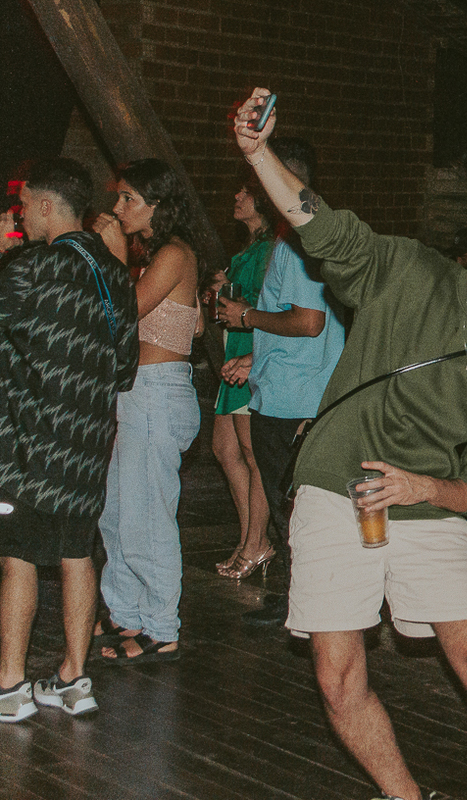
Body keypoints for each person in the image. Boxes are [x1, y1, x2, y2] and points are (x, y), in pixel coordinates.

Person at [233, 87, 467, 800]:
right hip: (335, 490)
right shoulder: (412, 270)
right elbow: (324, 227)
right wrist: (258, 153)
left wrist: (424, 487)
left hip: (429, 512)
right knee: (338, 678)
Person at [0, 159, 139, 721]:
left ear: (46, 205)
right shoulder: (115, 275)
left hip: (27, 445)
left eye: (24, 205)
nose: (20, 215)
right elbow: (125, 367)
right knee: (77, 554)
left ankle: (9, 686)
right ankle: (73, 678)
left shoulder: (30, 268)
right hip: (86, 446)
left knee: (17, 558)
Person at [217, 136, 346, 624]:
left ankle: (302, 602)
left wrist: (246, 316)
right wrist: (257, 358)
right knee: (294, 502)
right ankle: (303, 598)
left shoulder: (296, 241)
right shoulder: (311, 233)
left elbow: (309, 322)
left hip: (294, 397)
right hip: (295, 385)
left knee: (290, 504)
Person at [91, 158, 207, 664]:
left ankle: (162, 626)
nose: (118, 208)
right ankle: (126, 612)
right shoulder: (163, 256)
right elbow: (193, 326)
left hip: (157, 393)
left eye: (129, 199)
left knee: (148, 520)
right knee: (116, 514)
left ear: (157, 205)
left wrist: (115, 257)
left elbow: (122, 313)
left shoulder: (175, 253)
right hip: (137, 392)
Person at [210, 180, 275, 579]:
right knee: (224, 447)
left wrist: (232, 297)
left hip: (253, 353)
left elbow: (270, 304)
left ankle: (257, 542)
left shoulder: (271, 249)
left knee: (253, 454)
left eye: (245, 192)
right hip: (234, 350)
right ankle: (249, 536)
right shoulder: (249, 247)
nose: (236, 196)